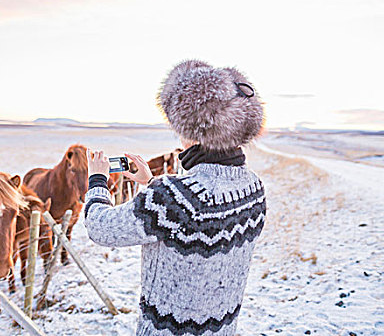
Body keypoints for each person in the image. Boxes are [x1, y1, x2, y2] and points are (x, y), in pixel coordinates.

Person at [84, 59, 266, 336]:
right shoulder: (253, 188)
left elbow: (101, 228)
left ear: (193, 132)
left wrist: (97, 179)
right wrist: (151, 183)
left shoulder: (174, 198)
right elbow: (197, 213)